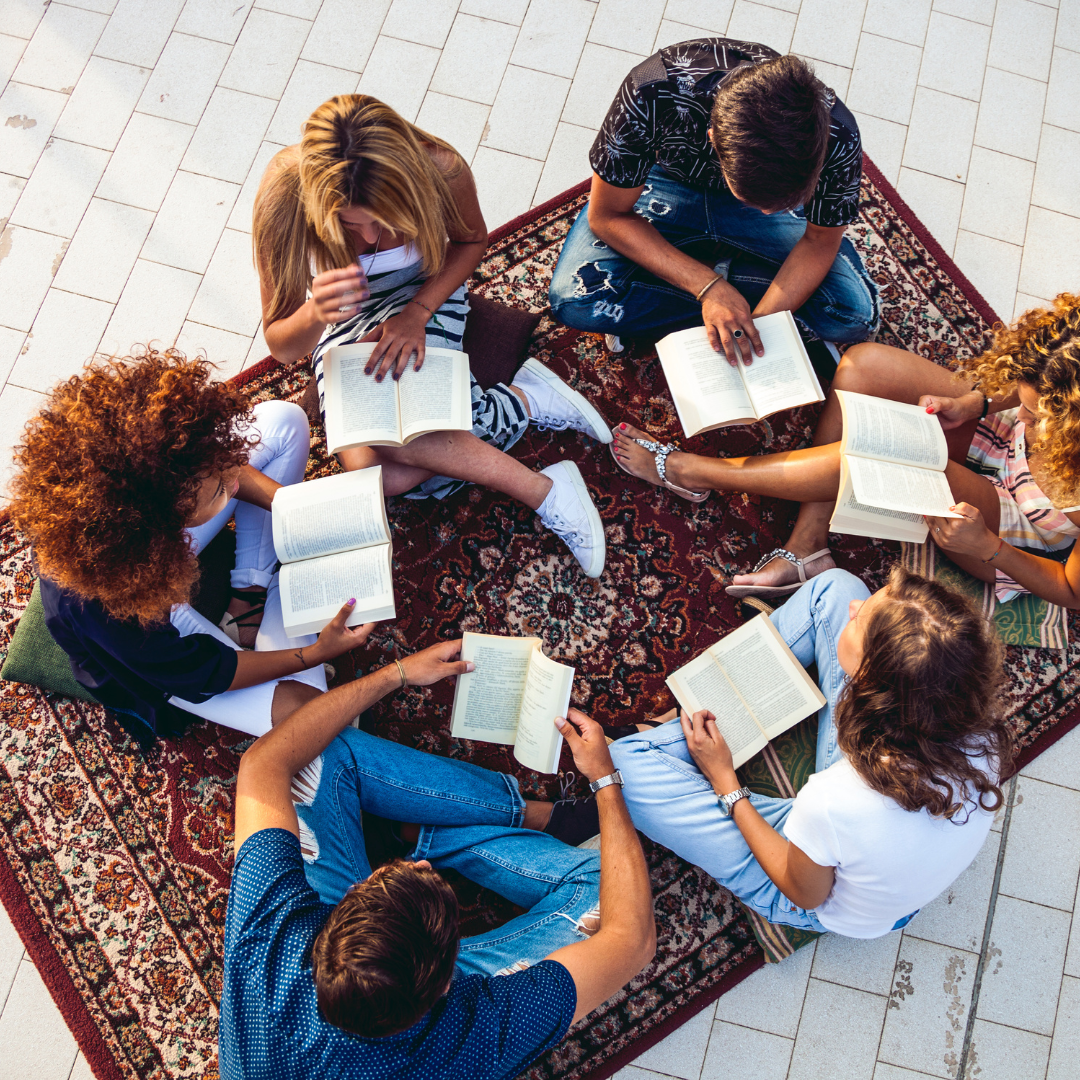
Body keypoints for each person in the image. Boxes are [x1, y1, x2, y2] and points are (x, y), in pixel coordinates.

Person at [220, 636, 657, 1080]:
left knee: (314, 748)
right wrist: (605, 780)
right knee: (607, 887)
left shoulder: (268, 939)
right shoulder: (464, 1046)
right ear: (451, 982)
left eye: (395, 875)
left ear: (345, 904)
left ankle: (506, 815)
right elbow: (633, 939)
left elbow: (263, 763)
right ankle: (438, 828)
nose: (421, 869)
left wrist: (399, 672)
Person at [253, 93, 611, 578]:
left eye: (388, 216)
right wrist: (315, 310)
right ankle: (523, 402)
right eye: (352, 222)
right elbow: (281, 345)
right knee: (382, 475)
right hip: (341, 321)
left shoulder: (440, 169)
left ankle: (544, 492)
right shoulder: (283, 197)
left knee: (400, 443)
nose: (372, 235)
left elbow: (470, 242)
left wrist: (418, 312)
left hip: (427, 293)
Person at [610, 567, 1012, 939]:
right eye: (875, 599)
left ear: (869, 680)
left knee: (623, 769)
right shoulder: (976, 728)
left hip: (816, 898)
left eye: (860, 621)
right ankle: (690, 717)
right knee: (835, 589)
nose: (856, 608)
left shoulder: (834, 800)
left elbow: (804, 892)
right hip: (886, 804)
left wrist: (725, 781)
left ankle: (684, 722)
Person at [612, 292, 1080, 607]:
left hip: (1013, 522)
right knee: (863, 365)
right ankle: (808, 546)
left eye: (1038, 419)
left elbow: (1071, 590)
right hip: (1000, 448)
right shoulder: (1047, 388)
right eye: (1027, 404)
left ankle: (695, 472)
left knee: (888, 455)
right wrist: (972, 403)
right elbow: (1025, 390)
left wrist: (989, 548)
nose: (1023, 417)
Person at [9, 349, 368, 742]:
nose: (235, 476)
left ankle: (249, 598)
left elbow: (226, 471)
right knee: (315, 713)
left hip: (151, 563)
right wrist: (313, 655)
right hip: (158, 641)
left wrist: (293, 509)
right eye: (218, 488)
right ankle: (281, 594)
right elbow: (207, 673)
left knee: (285, 420)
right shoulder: (112, 614)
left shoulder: (152, 482)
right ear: (162, 519)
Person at [548, 39, 878, 363]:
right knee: (573, 299)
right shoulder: (649, 89)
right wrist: (708, 288)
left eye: (780, 204)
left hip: (744, 199)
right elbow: (607, 216)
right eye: (757, 202)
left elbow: (819, 240)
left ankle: (690, 279)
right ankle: (728, 282)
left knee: (853, 316)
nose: (765, 212)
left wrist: (757, 327)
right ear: (713, 141)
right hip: (665, 184)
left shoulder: (838, 132)